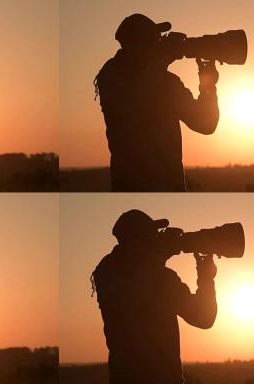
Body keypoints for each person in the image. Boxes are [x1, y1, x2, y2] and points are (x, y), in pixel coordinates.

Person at [95, 14, 220, 192]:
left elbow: (206, 124)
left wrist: (208, 87)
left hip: (170, 186)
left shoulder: (167, 82)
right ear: (134, 45)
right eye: (153, 41)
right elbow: (133, 102)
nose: (158, 44)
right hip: (131, 187)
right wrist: (161, 59)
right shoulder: (111, 75)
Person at [92, 209, 217, 384]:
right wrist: (206, 277)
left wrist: (159, 257)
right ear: (135, 242)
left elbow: (135, 280)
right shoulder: (161, 278)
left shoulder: (106, 272)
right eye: (151, 236)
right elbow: (204, 318)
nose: (157, 239)